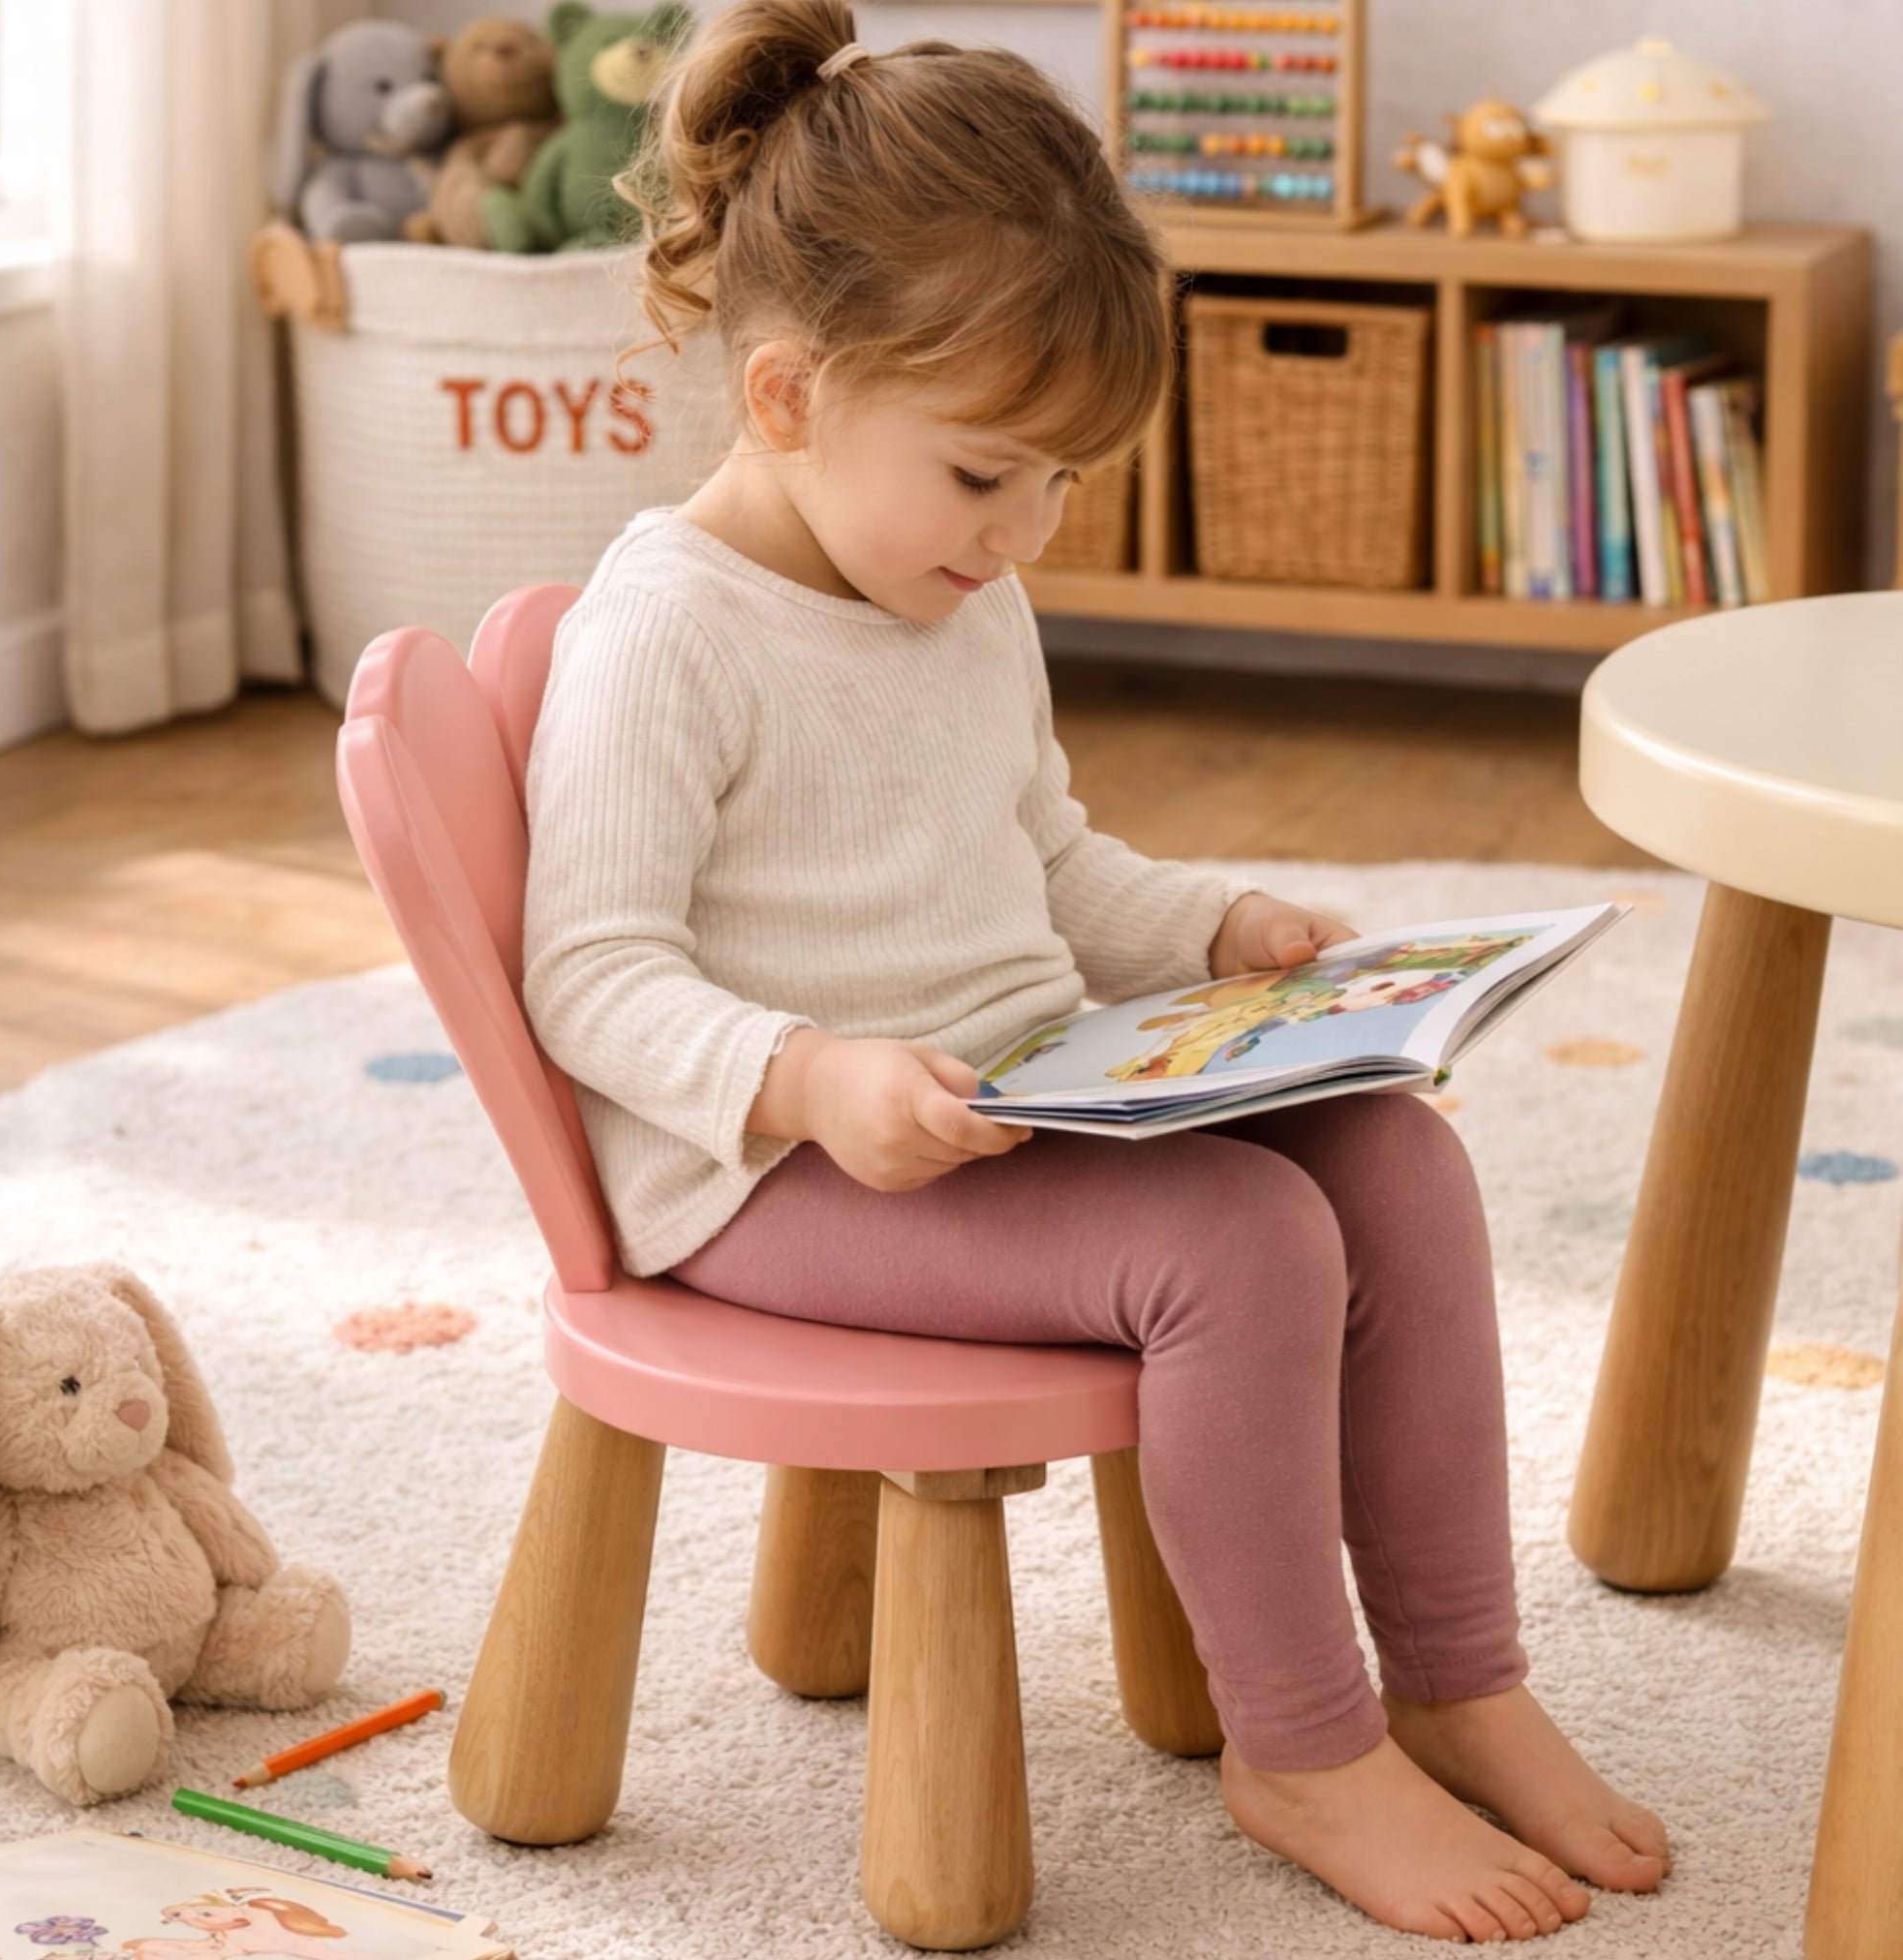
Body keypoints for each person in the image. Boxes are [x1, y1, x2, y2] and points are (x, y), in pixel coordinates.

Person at [521, 0, 1671, 1940]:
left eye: (1060, 479)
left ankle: (1460, 1681)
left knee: (1390, 1157)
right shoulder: (667, 635)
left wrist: (1213, 933)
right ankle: (1301, 1744)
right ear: (787, 396)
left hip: (1001, 1090)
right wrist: (811, 1078)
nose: (1028, 528)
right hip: (766, 1175)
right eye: (989, 475)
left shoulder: (953, 584)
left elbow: (1040, 856)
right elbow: (590, 980)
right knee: (1234, 1244)